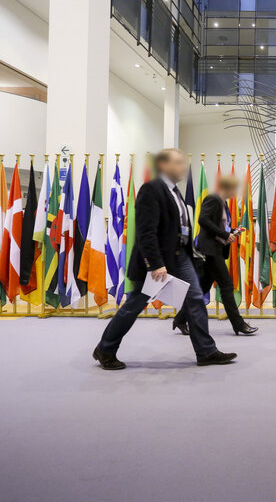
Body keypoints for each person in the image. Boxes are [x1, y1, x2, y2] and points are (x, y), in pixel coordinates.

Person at [93, 149, 236, 369]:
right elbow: (145, 231)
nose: (183, 167)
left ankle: (206, 352)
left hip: (180, 257)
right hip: (157, 260)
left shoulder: (175, 191)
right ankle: (105, 349)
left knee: (196, 299)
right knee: (135, 304)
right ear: (163, 165)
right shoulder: (151, 189)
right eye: (178, 162)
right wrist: (155, 263)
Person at [173, 175, 258, 336]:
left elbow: (219, 225)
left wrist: (231, 232)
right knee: (226, 285)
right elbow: (203, 220)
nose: (235, 192)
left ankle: (180, 319)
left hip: (215, 249)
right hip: (209, 251)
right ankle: (238, 324)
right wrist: (225, 235)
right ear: (226, 188)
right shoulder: (213, 199)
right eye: (234, 188)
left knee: (202, 288)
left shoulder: (222, 203)